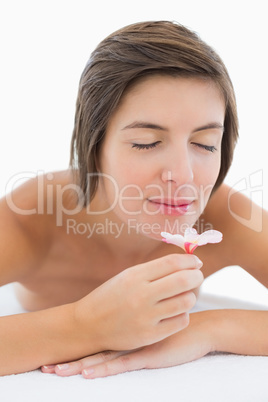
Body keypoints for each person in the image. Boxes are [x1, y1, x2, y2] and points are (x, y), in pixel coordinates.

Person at [0, 20, 267, 378]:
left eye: (205, 144)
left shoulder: (226, 218)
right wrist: (84, 326)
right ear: (93, 147)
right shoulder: (30, 220)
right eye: (146, 142)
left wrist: (210, 329)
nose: (183, 175)